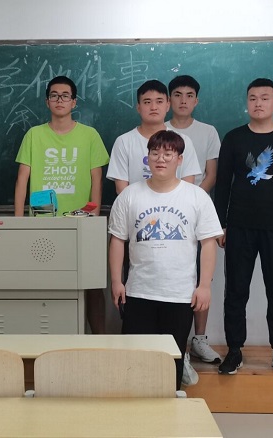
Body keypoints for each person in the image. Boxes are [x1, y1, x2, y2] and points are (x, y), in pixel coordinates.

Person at [108, 130, 223, 390]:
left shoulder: (196, 196)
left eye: (168, 154)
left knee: (172, 361)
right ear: (147, 157)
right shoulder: (129, 195)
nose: (161, 159)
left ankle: (169, 406)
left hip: (179, 294)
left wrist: (204, 285)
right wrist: (116, 281)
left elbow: (208, 244)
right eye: (155, 153)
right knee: (135, 359)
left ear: (179, 159)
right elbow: (117, 240)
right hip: (138, 291)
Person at [214, 78, 273, 377]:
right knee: (235, 291)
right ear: (247, 103)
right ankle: (234, 350)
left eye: (265, 98)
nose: (258, 103)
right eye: (253, 98)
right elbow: (223, 184)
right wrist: (220, 224)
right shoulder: (234, 138)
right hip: (239, 226)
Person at [14, 75, 110, 334]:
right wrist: (18, 223)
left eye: (65, 95)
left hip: (82, 223)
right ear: (47, 102)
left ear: (74, 102)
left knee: (92, 284)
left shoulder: (89, 135)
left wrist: (93, 218)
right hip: (42, 224)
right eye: (54, 95)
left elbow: (97, 180)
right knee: (46, 283)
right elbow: (22, 179)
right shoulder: (34, 135)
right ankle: (50, 336)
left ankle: (99, 338)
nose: (59, 100)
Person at [166, 75, 223, 383]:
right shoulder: (160, 130)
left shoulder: (208, 132)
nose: (183, 100)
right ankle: (177, 348)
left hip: (198, 214)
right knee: (173, 277)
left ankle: (198, 339)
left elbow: (211, 174)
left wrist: (190, 201)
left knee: (201, 277)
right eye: (177, 94)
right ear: (169, 99)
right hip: (165, 216)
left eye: (189, 95)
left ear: (196, 100)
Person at [107, 79, 201, 194]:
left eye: (159, 101)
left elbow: (188, 187)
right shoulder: (123, 142)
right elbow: (122, 191)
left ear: (168, 105)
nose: (153, 107)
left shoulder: (184, 141)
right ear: (138, 107)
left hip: (174, 205)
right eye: (147, 102)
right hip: (135, 205)